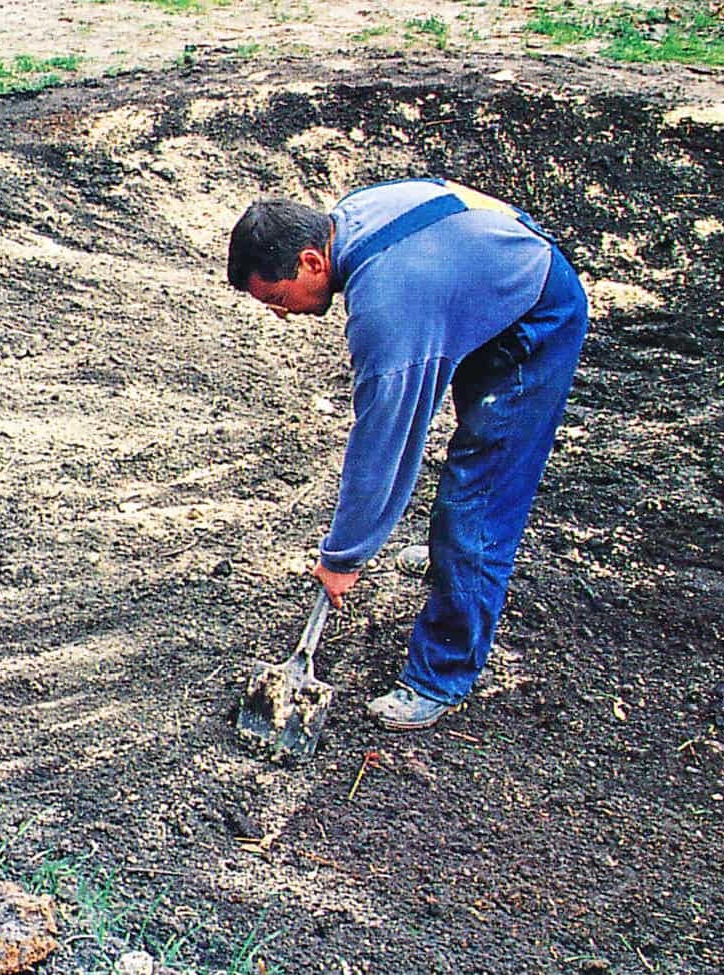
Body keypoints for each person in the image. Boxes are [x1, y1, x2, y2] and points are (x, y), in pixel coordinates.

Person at [226, 178, 588, 731]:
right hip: (492, 280)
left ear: (310, 262)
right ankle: (451, 557)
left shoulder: (387, 310)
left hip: (536, 318)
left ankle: (442, 674)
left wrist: (344, 555)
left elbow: (385, 446)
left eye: (278, 298)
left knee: (478, 500)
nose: (281, 314)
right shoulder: (348, 219)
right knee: (471, 470)